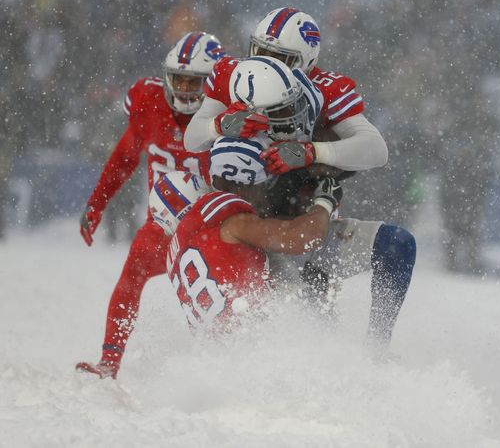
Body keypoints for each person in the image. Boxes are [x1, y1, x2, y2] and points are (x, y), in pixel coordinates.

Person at [214, 57, 417, 355]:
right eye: (284, 109)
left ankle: (377, 349)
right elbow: (290, 233)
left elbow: (373, 151)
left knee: (397, 245)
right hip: (265, 249)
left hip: (309, 239)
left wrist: (316, 153)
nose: (296, 115)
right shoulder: (236, 144)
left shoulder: (316, 107)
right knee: (305, 332)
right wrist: (321, 199)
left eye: (297, 105)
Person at [76, 32, 228, 379]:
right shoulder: (148, 99)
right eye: (179, 79)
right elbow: (125, 156)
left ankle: (230, 369)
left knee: (218, 299)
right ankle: (109, 363)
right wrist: (96, 204)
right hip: (163, 226)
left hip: (214, 229)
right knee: (131, 276)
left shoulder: (229, 115)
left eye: (195, 82)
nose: (185, 90)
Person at [150, 143, 341, 335]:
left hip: (221, 354)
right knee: (315, 280)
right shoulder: (228, 225)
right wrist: (325, 201)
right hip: (263, 335)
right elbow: (304, 238)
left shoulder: (177, 260)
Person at [184, 7, 388, 179]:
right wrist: (218, 125)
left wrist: (314, 152)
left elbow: (376, 149)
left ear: (307, 62)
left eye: (279, 57)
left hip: (297, 199)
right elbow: (192, 140)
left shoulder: (326, 88)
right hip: (232, 192)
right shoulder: (230, 73)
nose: (265, 63)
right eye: (261, 51)